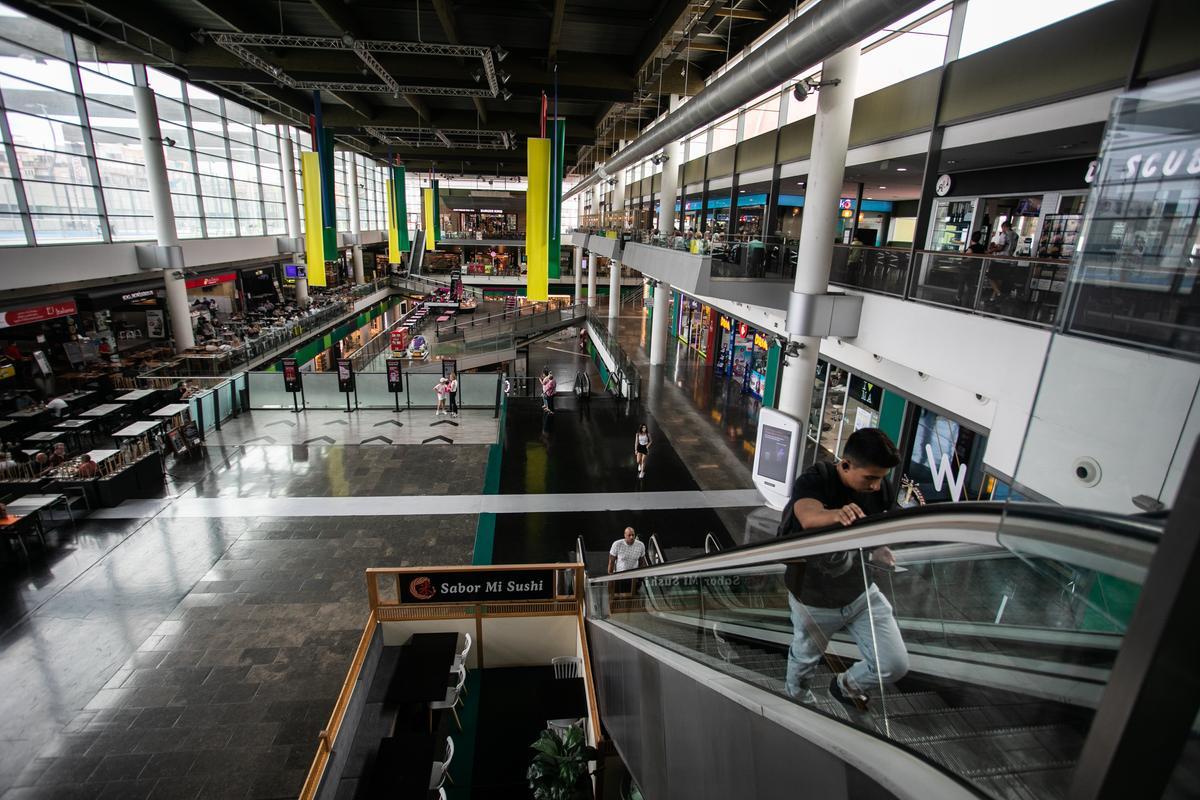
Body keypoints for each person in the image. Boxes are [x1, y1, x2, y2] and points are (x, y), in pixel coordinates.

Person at [778, 428, 909, 710]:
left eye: (881, 478)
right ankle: (798, 706)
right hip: (813, 600)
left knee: (894, 664)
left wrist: (878, 548)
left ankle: (847, 686)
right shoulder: (817, 479)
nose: (876, 486)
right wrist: (836, 514)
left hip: (861, 592)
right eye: (870, 478)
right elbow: (807, 515)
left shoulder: (880, 489)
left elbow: (871, 530)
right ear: (846, 465)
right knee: (804, 662)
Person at [607, 527, 647, 595]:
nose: (631, 537)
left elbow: (642, 562)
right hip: (619, 577)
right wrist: (610, 580)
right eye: (629, 535)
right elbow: (611, 562)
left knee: (633, 599)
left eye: (633, 535)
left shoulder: (640, 545)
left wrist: (641, 577)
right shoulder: (617, 544)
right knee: (618, 599)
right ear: (625, 535)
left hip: (633, 578)